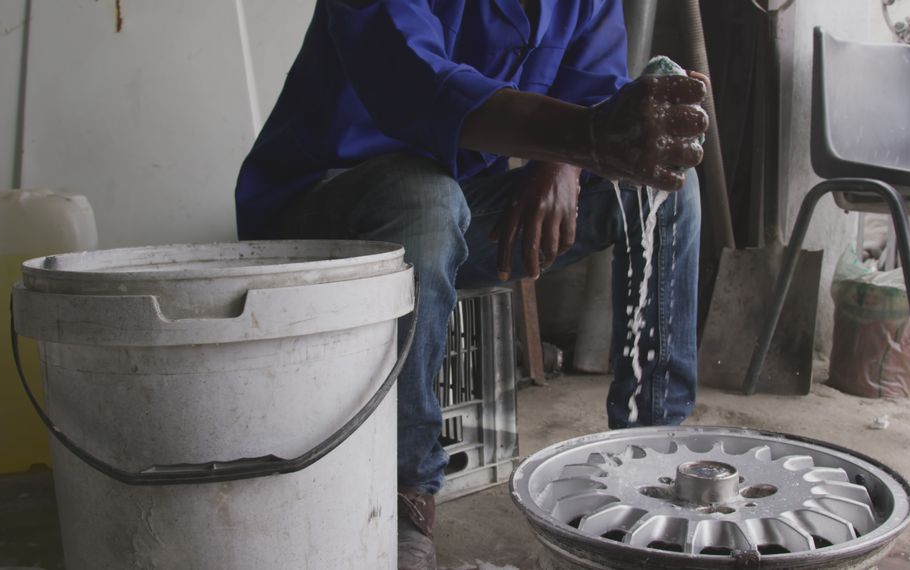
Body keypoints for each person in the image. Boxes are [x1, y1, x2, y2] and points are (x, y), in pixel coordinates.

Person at [234, 1, 708, 567]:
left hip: (447, 215)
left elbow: (591, 93)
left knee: (659, 182)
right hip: (317, 219)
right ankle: (406, 492)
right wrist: (582, 137)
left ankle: (651, 452)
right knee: (424, 196)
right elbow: (415, 88)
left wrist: (565, 162)